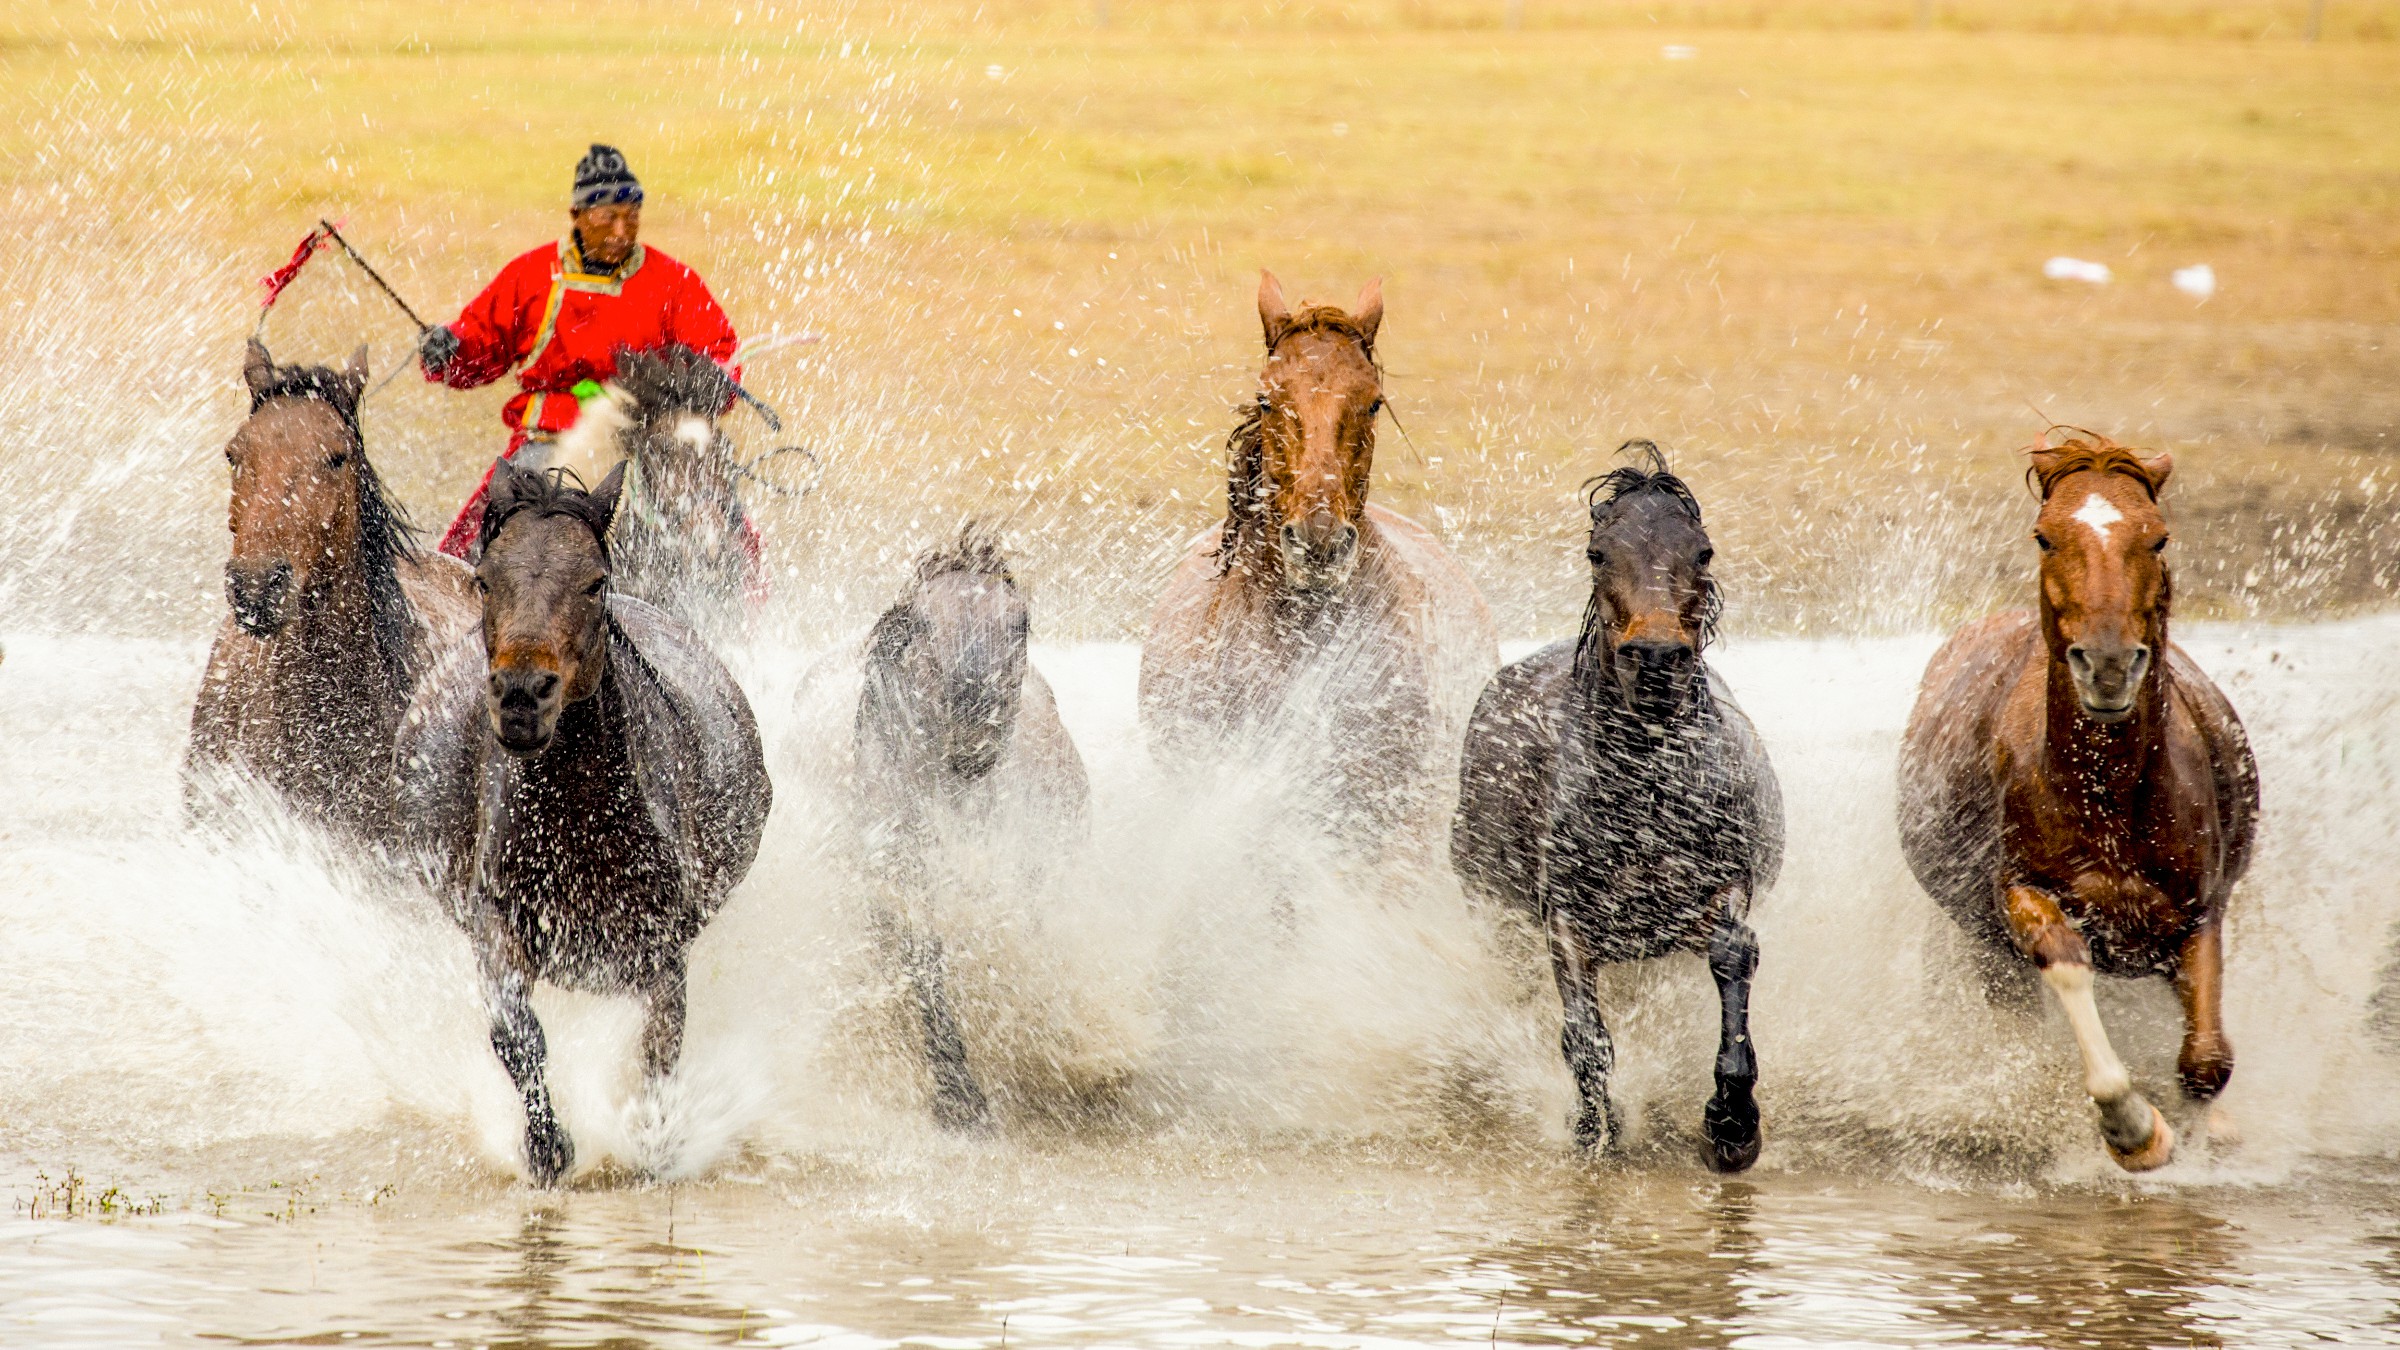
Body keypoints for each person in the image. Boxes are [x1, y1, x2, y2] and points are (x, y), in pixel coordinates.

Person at [421, 144, 741, 557]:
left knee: (724, 525)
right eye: (609, 218)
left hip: (645, 436)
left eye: (632, 218)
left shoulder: (673, 282)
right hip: (550, 437)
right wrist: (449, 348)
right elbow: (480, 345)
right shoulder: (531, 276)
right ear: (577, 215)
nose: (622, 233)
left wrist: (714, 378)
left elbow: (719, 352)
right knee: (487, 544)